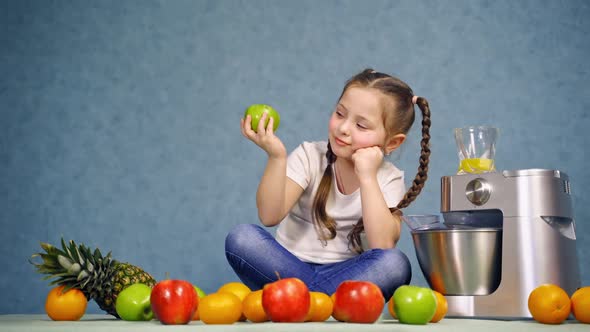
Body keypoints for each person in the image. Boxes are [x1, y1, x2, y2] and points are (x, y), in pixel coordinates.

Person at [225, 68, 431, 301]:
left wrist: (367, 176)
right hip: (286, 270)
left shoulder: (388, 178)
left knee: (395, 264)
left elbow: (381, 244)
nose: (343, 128)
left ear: (392, 142)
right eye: (340, 114)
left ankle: (302, 302)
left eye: (361, 126)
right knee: (242, 237)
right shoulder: (309, 155)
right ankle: (321, 304)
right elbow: (269, 216)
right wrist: (276, 157)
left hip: (346, 277)